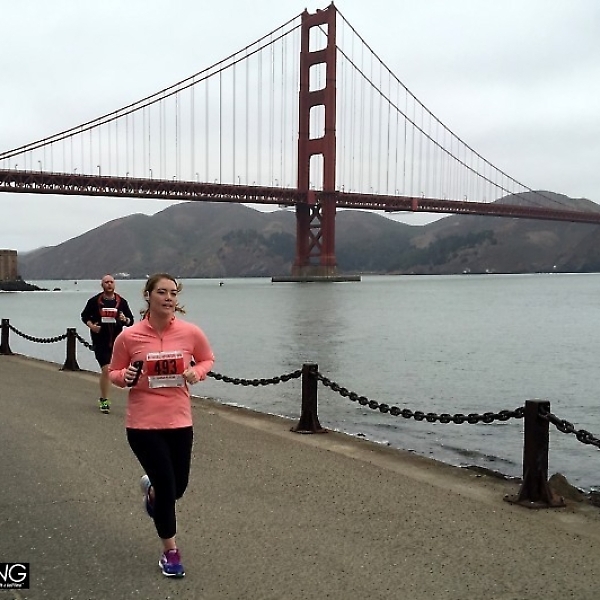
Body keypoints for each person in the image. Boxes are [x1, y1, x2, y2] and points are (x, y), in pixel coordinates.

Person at [108, 273, 215, 578]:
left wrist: (197, 372)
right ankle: (170, 552)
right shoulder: (129, 337)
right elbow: (114, 372)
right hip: (143, 425)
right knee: (169, 490)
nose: (168, 298)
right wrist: (125, 377)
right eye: (162, 292)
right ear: (148, 295)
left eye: (173, 293)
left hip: (179, 421)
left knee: (177, 487)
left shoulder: (190, 332)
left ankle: (152, 492)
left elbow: (207, 359)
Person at [81, 274, 134, 413]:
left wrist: (125, 319)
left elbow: (131, 321)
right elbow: (84, 316)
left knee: (118, 370)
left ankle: (135, 398)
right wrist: (92, 326)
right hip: (100, 341)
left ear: (114, 284)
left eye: (111, 282)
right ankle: (104, 400)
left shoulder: (121, 302)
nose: (109, 284)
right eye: (106, 282)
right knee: (106, 370)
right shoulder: (94, 301)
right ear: (102, 285)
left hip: (117, 342)